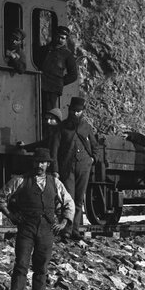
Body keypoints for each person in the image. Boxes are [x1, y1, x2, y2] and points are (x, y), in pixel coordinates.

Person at [0, 145, 74, 290]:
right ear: (33, 163)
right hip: (26, 228)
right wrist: (10, 214)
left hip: (47, 230)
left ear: (48, 165)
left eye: (43, 163)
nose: (40, 165)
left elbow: (69, 203)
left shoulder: (55, 183)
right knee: (21, 264)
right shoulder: (21, 180)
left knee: (41, 268)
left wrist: (64, 222)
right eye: (38, 162)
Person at [54, 97, 98, 239]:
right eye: (73, 111)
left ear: (82, 112)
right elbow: (54, 150)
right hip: (67, 167)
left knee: (79, 199)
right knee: (69, 199)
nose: (75, 113)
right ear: (69, 110)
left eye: (78, 111)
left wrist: (92, 159)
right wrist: (55, 169)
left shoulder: (86, 127)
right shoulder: (61, 128)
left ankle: (75, 229)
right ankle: (66, 229)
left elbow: (94, 146)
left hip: (83, 167)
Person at [39, 26, 80, 116]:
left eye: (63, 38)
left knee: (48, 113)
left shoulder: (67, 55)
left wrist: (59, 82)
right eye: (58, 37)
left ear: (66, 39)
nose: (60, 40)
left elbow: (73, 75)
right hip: (38, 84)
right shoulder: (43, 50)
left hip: (52, 90)